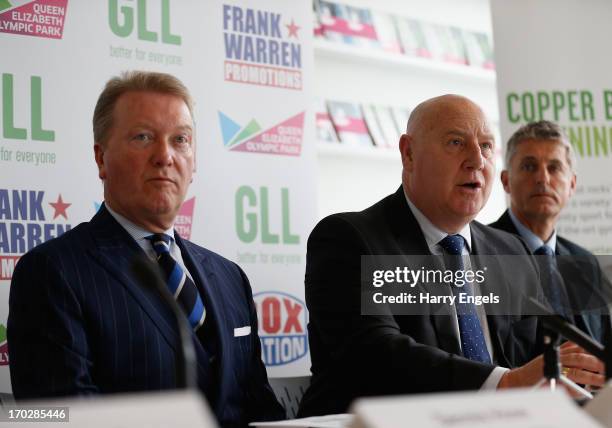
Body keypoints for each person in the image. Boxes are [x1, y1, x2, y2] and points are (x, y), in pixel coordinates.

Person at [298, 95, 604, 416]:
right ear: (409, 153)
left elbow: (537, 354)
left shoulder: (510, 250)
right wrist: (502, 383)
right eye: (456, 142)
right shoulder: (350, 238)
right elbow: (375, 354)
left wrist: (572, 369)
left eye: (486, 146)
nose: (477, 160)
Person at [7, 71, 284, 427]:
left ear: (194, 161)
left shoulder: (230, 278)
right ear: (101, 159)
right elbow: (61, 418)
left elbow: (259, 406)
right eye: (143, 137)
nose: (165, 156)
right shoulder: (52, 272)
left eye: (180, 139)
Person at [490, 120, 611, 343]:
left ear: (572, 184)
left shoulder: (587, 264)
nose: (542, 178)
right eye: (529, 166)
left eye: (554, 168)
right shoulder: (479, 255)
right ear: (506, 181)